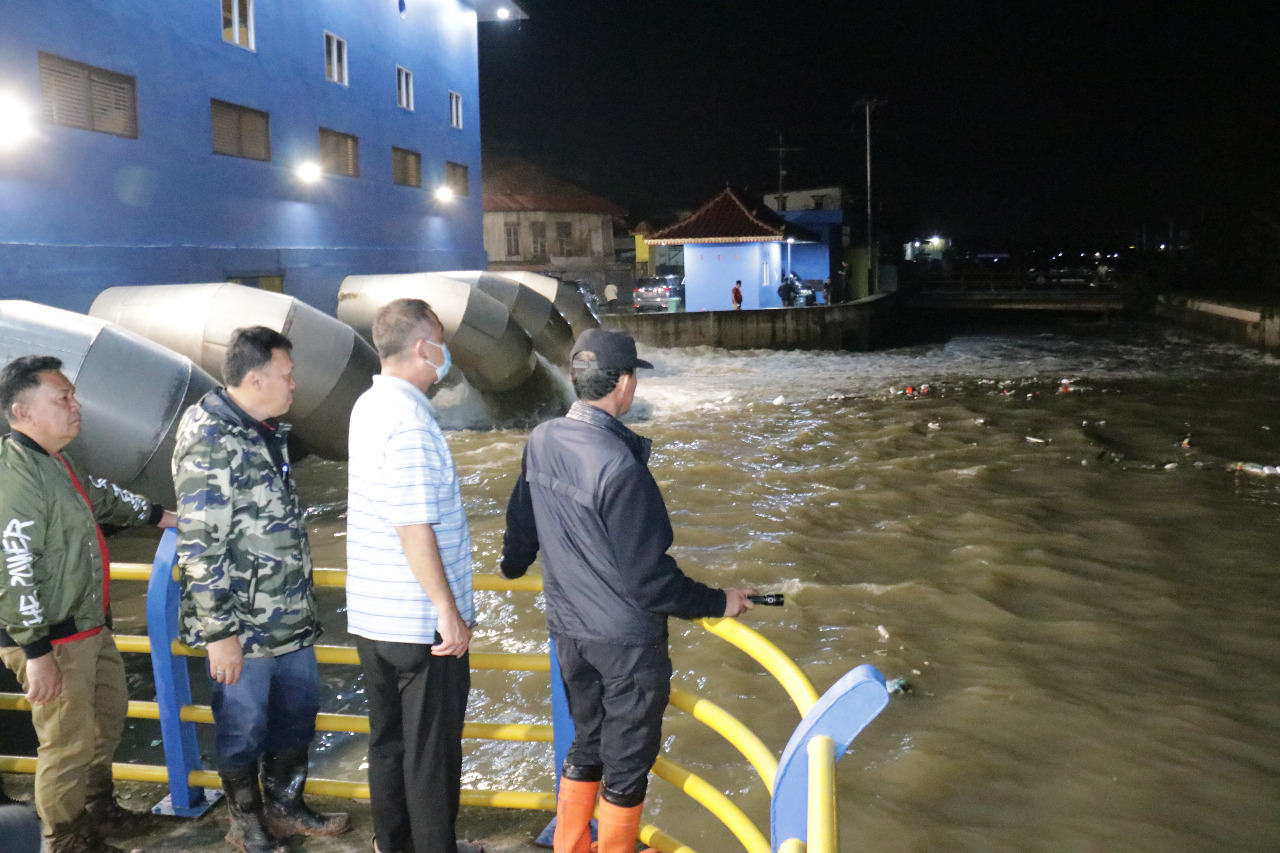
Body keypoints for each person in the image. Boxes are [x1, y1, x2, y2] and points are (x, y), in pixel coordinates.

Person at [500, 329, 756, 853]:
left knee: (586, 743)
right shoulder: (620, 468)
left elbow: (521, 526)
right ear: (625, 384)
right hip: (625, 644)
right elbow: (651, 582)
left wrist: (512, 565)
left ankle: (572, 844)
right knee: (627, 761)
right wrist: (720, 601)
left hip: (569, 632)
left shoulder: (543, 438)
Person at [173, 327, 349, 853]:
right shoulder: (210, 438)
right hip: (243, 626)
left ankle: (286, 807)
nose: (294, 384)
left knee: (297, 715)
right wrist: (219, 633)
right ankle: (245, 822)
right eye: (287, 375)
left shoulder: (262, 429)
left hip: (288, 614)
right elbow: (200, 547)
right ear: (255, 378)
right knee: (242, 728)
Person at [0, 356, 176, 853]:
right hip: (51, 640)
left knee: (107, 718)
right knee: (66, 744)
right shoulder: (15, 478)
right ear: (22, 410)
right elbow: (14, 568)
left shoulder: (56, 461)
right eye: (62, 399)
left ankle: (96, 807)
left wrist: (159, 514)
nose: (76, 407)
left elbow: (98, 496)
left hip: (87, 628)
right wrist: (36, 654)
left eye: (73, 396)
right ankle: (65, 839)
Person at [345, 299, 478, 853]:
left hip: (373, 616)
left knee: (390, 744)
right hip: (419, 625)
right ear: (424, 347)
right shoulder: (411, 422)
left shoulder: (367, 405)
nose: (444, 355)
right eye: (441, 342)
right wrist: (448, 611)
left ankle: (391, 844)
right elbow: (414, 527)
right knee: (432, 755)